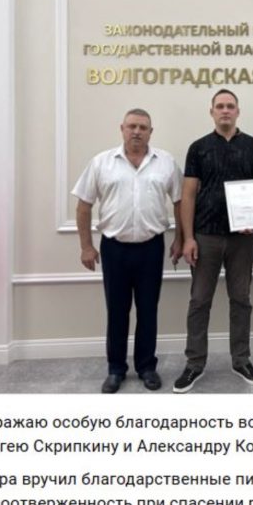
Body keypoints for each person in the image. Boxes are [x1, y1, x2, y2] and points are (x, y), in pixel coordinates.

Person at [72, 109, 183, 393]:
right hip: (114, 249)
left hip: (151, 248)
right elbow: (83, 206)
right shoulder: (101, 162)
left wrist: (180, 239)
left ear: (150, 132)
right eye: (132, 126)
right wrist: (86, 246)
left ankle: (147, 367)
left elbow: (180, 203)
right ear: (121, 128)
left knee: (148, 310)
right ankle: (116, 369)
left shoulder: (166, 163)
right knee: (117, 311)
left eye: (143, 127)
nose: (137, 131)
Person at [175, 89, 253, 393]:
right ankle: (194, 363)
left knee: (241, 299)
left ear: (238, 111)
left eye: (230, 106)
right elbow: (188, 194)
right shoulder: (198, 148)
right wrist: (188, 238)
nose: (225, 110)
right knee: (199, 300)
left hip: (242, 239)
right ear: (212, 112)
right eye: (220, 106)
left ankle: (241, 360)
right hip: (205, 237)